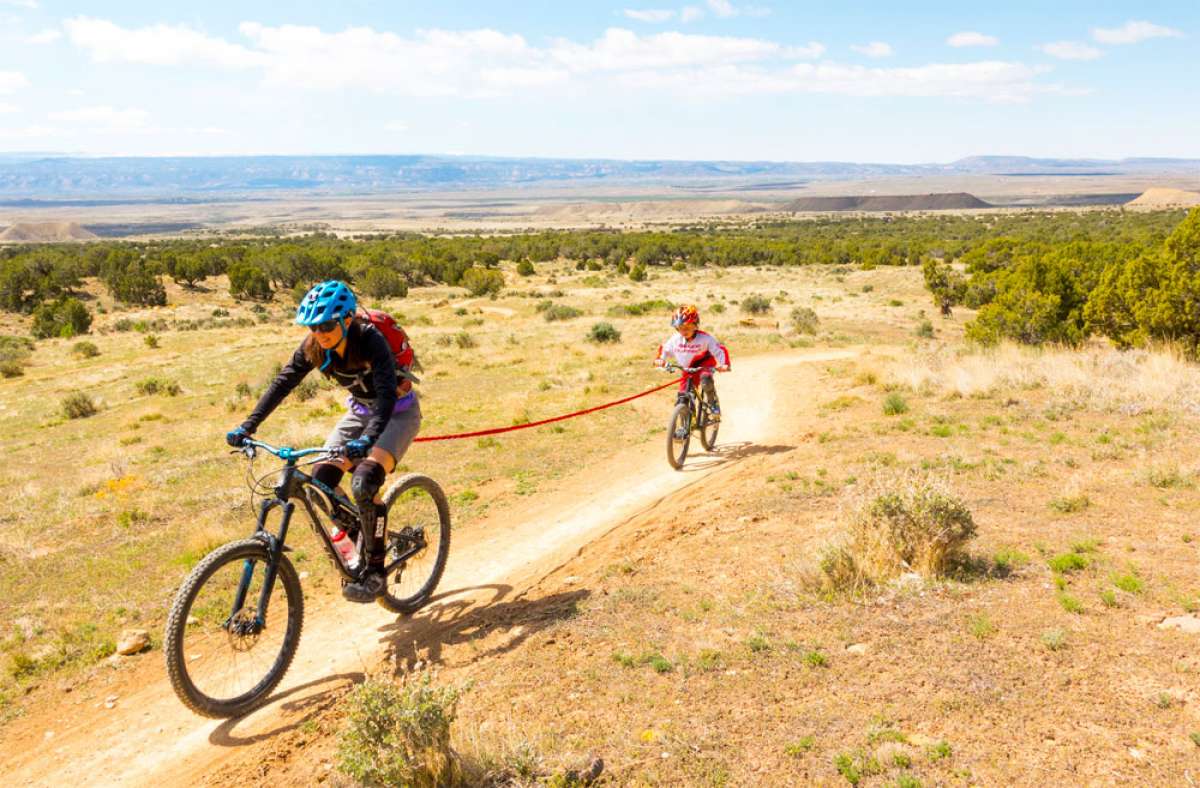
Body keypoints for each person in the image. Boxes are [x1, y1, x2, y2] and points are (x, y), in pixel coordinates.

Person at [225, 280, 422, 603]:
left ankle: (374, 569)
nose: (320, 332)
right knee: (320, 482)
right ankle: (365, 536)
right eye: (313, 326)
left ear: (347, 319)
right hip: (359, 413)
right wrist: (248, 426)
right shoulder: (314, 346)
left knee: (364, 481)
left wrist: (369, 441)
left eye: (327, 324)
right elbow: (283, 382)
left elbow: (386, 395)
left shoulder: (370, 340)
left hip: (397, 413)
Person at [653, 304, 730, 414]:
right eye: (680, 328)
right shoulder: (675, 339)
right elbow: (664, 350)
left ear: (695, 325)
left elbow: (719, 350)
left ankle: (712, 402)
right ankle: (684, 426)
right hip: (687, 369)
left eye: (687, 327)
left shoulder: (705, 338)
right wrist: (660, 360)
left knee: (705, 378)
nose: (684, 331)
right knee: (682, 398)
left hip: (704, 364)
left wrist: (724, 364)